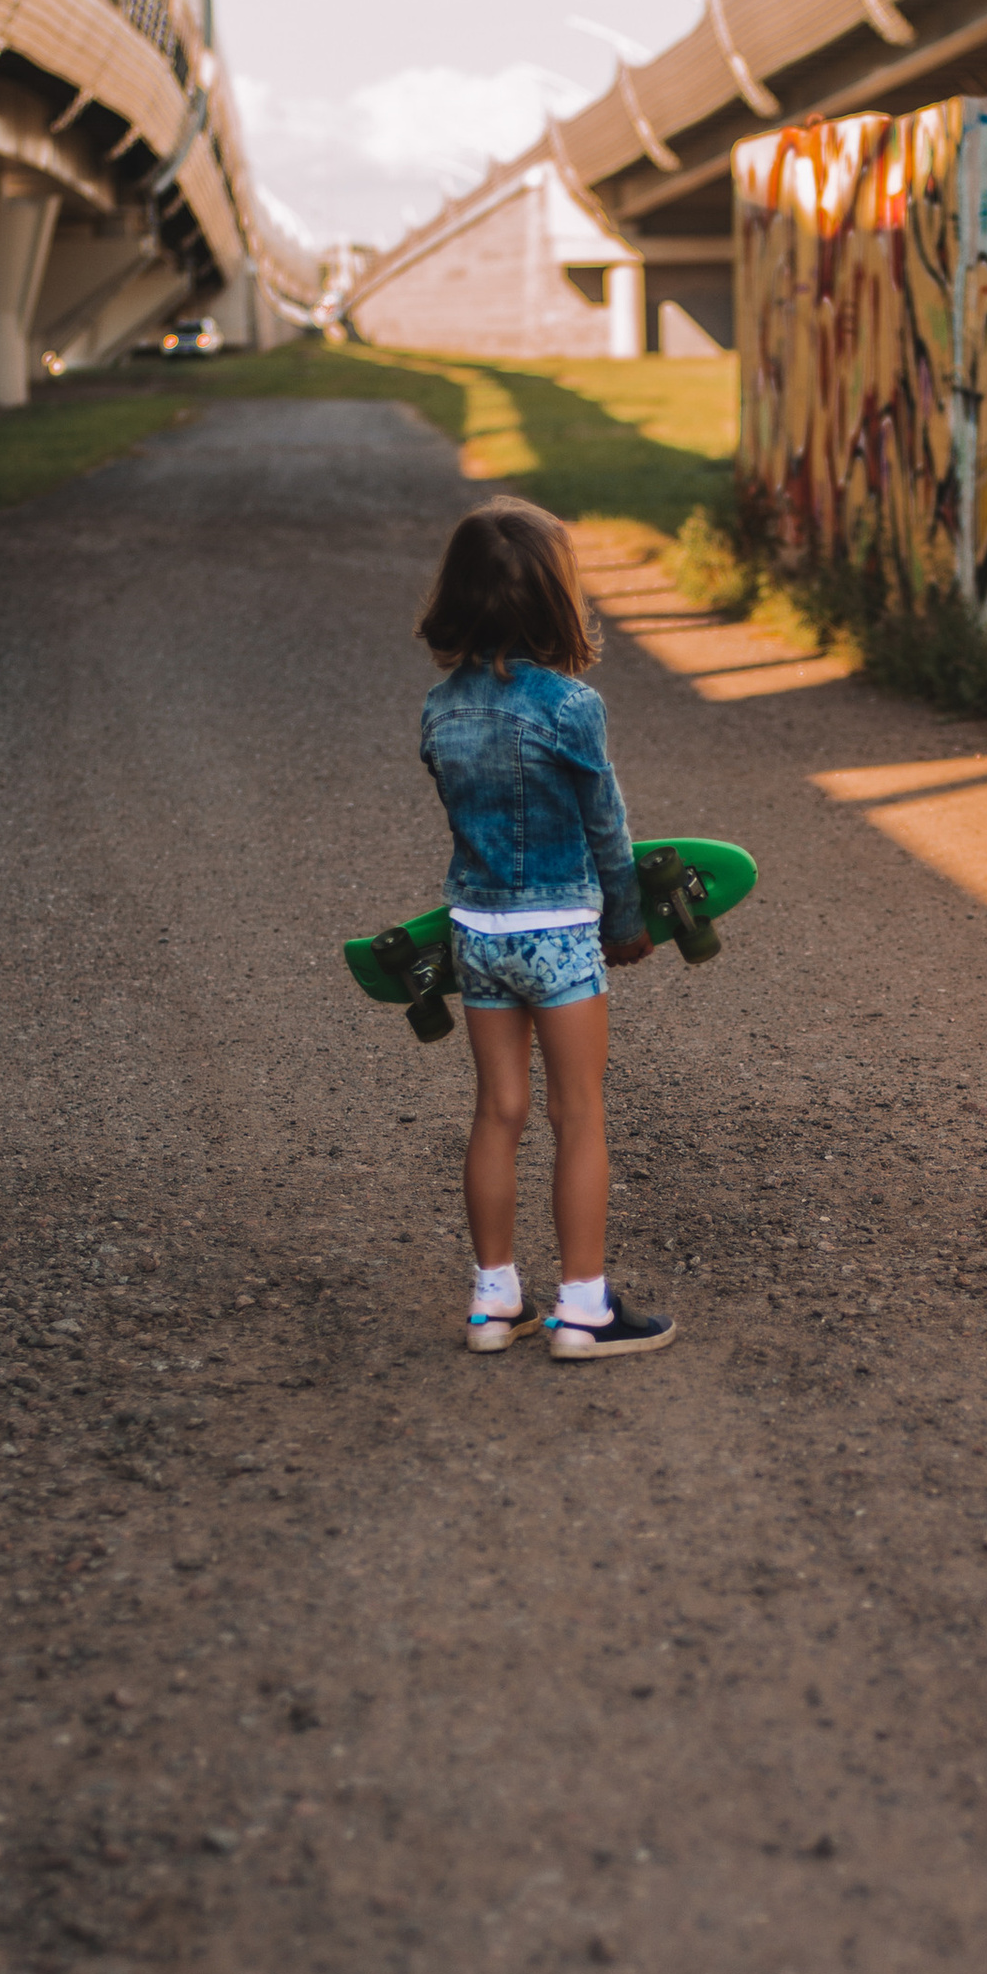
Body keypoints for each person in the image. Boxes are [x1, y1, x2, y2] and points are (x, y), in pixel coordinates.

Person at [416, 499, 677, 1361]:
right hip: (562, 930)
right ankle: (582, 1308)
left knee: (499, 1110)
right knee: (579, 1113)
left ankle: (493, 1303)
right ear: (556, 602)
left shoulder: (438, 711)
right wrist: (629, 921)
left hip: (477, 933)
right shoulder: (572, 706)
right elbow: (609, 827)